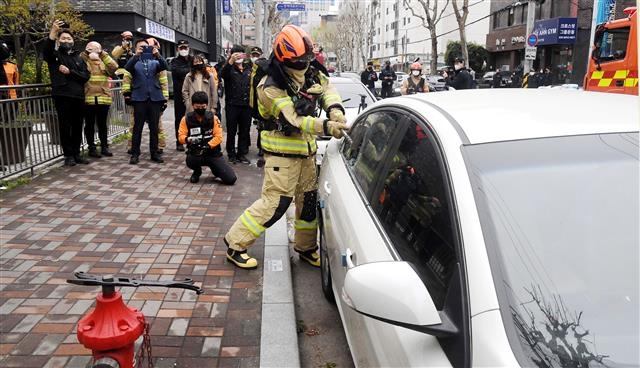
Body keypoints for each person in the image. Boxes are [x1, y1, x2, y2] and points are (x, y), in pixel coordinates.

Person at [223, 24, 347, 269]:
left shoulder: (310, 70)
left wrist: (336, 110)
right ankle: (236, 244)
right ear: (285, 58)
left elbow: (327, 88)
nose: (305, 64)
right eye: (300, 60)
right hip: (281, 156)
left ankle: (306, 247)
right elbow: (294, 120)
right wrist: (327, 127)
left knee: (308, 203)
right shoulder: (269, 86)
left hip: (307, 153)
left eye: (307, 59)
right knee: (275, 204)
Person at [43, 20, 90, 166]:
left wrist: (70, 72)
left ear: (73, 41)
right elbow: (46, 52)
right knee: (65, 126)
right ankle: (68, 155)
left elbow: (85, 76)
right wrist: (53, 32)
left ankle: (76, 153)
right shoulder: (55, 56)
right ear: (58, 40)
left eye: (69, 38)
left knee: (78, 125)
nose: (66, 41)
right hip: (62, 95)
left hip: (78, 96)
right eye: (63, 38)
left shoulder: (78, 57)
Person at [178, 91, 237, 185]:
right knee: (190, 160)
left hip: (212, 153)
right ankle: (197, 171)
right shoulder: (186, 119)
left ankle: (215, 169)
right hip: (196, 153)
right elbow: (181, 136)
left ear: (206, 105)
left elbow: (219, 137)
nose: (200, 109)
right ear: (193, 105)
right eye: (198, 107)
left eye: (203, 107)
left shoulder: (214, 118)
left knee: (231, 179)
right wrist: (187, 139)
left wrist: (208, 146)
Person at [124, 38, 168, 164]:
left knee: (154, 128)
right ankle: (135, 153)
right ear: (136, 48)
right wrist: (136, 55)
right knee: (137, 127)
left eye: (145, 47)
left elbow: (165, 66)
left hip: (154, 98)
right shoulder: (134, 62)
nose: (144, 49)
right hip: (139, 98)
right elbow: (127, 68)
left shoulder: (154, 62)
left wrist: (157, 55)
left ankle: (154, 153)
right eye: (141, 47)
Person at [81, 41, 118, 158]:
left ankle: (104, 147)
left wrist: (102, 54)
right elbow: (78, 63)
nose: (93, 50)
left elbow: (114, 67)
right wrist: (87, 54)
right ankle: (91, 148)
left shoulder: (103, 61)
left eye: (96, 48)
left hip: (103, 98)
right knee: (89, 124)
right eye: (90, 48)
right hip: (88, 97)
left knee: (102, 124)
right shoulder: (83, 59)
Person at [220, 45, 252, 164]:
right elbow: (222, 74)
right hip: (232, 105)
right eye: (235, 54)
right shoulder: (229, 68)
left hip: (246, 105)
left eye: (240, 54)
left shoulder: (249, 68)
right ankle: (231, 153)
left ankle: (241, 154)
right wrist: (230, 61)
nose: (238, 56)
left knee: (244, 130)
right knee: (231, 131)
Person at [170, 40, 192, 151]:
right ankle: (179, 141)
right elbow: (177, 71)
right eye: (181, 48)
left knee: (192, 118)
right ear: (178, 49)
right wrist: (190, 71)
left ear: (189, 48)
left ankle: (191, 141)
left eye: (185, 47)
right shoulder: (174, 61)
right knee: (179, 118)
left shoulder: (193, 59)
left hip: (192, 93)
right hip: (179, 94)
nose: (183, 50)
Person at [249, 46, 267, 159]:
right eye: (253, 55)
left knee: (263, 125)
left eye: (257, 55)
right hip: (252, 101)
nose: (255, 57)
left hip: (262, 101)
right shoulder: (248, 67)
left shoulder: (264, 68)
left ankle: (262, 147)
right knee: (258, 125)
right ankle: (256, 146)